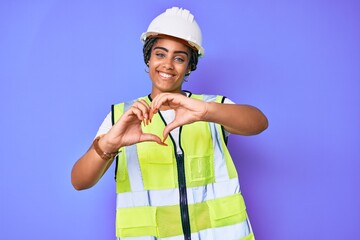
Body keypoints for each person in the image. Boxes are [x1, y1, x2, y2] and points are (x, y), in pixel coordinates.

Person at [71, 6, 268, 240]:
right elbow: (79, 181)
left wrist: (206, 111)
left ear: (189, 66)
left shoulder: (212, 107)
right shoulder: (123, 116)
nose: (168, 64)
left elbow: (259, 122)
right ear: (148, 57)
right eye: (160, 54)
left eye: (179, 58)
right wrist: (109, 145)